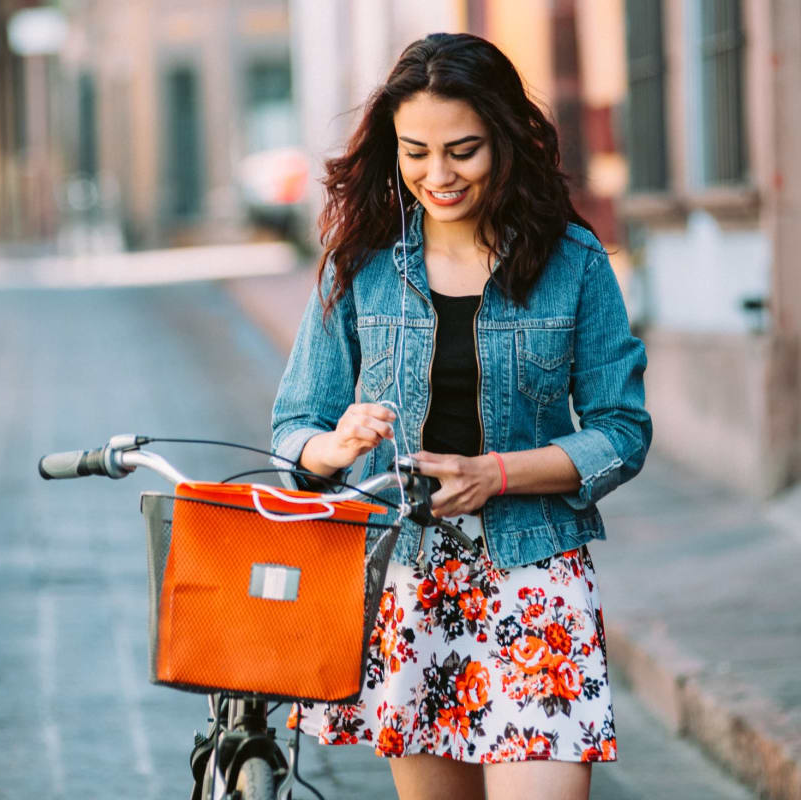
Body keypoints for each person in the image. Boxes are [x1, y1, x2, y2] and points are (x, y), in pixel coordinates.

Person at [270, 33, 652, 800]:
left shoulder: (573, 263)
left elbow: (622, 429)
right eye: (416, 153)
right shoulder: (360, 267)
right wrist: (336, 444)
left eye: (464, 151)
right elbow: (292, 432)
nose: (437, 176)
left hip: (535, 578)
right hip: (406, 583)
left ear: (506, 142)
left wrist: (496, 475)